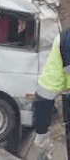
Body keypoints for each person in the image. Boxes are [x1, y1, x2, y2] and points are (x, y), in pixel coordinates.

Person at [32, 28, 70, 159]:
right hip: (48, 92)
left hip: (62, 91)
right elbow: (69, 70)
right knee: (42, 138)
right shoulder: (67, 38)